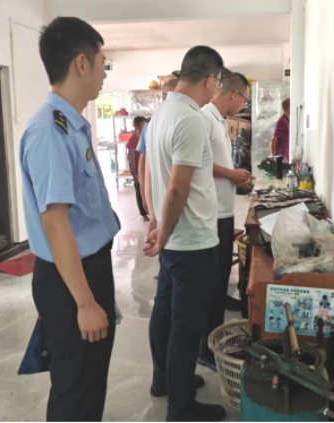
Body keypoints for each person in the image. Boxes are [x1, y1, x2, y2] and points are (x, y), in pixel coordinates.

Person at [20, 17, 120, 423]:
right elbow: (55, 225)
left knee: (90, 380)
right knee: (75, 388)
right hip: (69, 279)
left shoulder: (72, 125)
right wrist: (85, 302)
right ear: (82, 63)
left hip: (86, 266)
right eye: (102, 62)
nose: (104, 72)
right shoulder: (50, 131)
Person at [144, 46, 227, 423]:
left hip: (174, 237)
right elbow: (178, 188)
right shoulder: (191, 119)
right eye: (218, 84)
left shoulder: (162, 112)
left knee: (165, 312)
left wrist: (158, 224)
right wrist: (163, 230)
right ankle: (181, 408)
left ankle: (165, 379)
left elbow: (153, 174)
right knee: (186, 326)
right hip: (191, 240)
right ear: (210, 79)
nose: (216, 90)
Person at [197, 72, 253, 372]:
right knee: (211, 286)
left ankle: (213, 340)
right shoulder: (205, 118)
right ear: (234, 94)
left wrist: (236, 177)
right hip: (212, 214)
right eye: (244, 99)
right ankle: (205, 349)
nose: (243, 105)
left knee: (219, 282)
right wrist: (232, 175)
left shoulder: (219, 120)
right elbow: (200, 164)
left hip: (223, 212)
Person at [137, 78, 180, 217]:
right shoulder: (151, 124)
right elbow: (144, 162)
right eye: (165, 96)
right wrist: (144, 193)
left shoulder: (186, 123)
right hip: (158, 194)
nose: (168, 100)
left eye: (172, 95)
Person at [127, 116, 149, 221]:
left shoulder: (146, 136)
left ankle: (149, 210)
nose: (145, 125)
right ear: (139, 124)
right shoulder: (133, 139)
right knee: (140, 192)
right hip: (138, 170)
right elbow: (130, 158)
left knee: (147, 190)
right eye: (143, 123)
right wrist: (134, 173)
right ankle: (143, 213)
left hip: (147, 169)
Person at [271, 98, 291, 162]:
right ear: (289, 108)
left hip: (287, 155)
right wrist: (272, 154)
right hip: (282, 155)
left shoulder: (288, 121)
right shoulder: (282, 121)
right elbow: (274, 139)